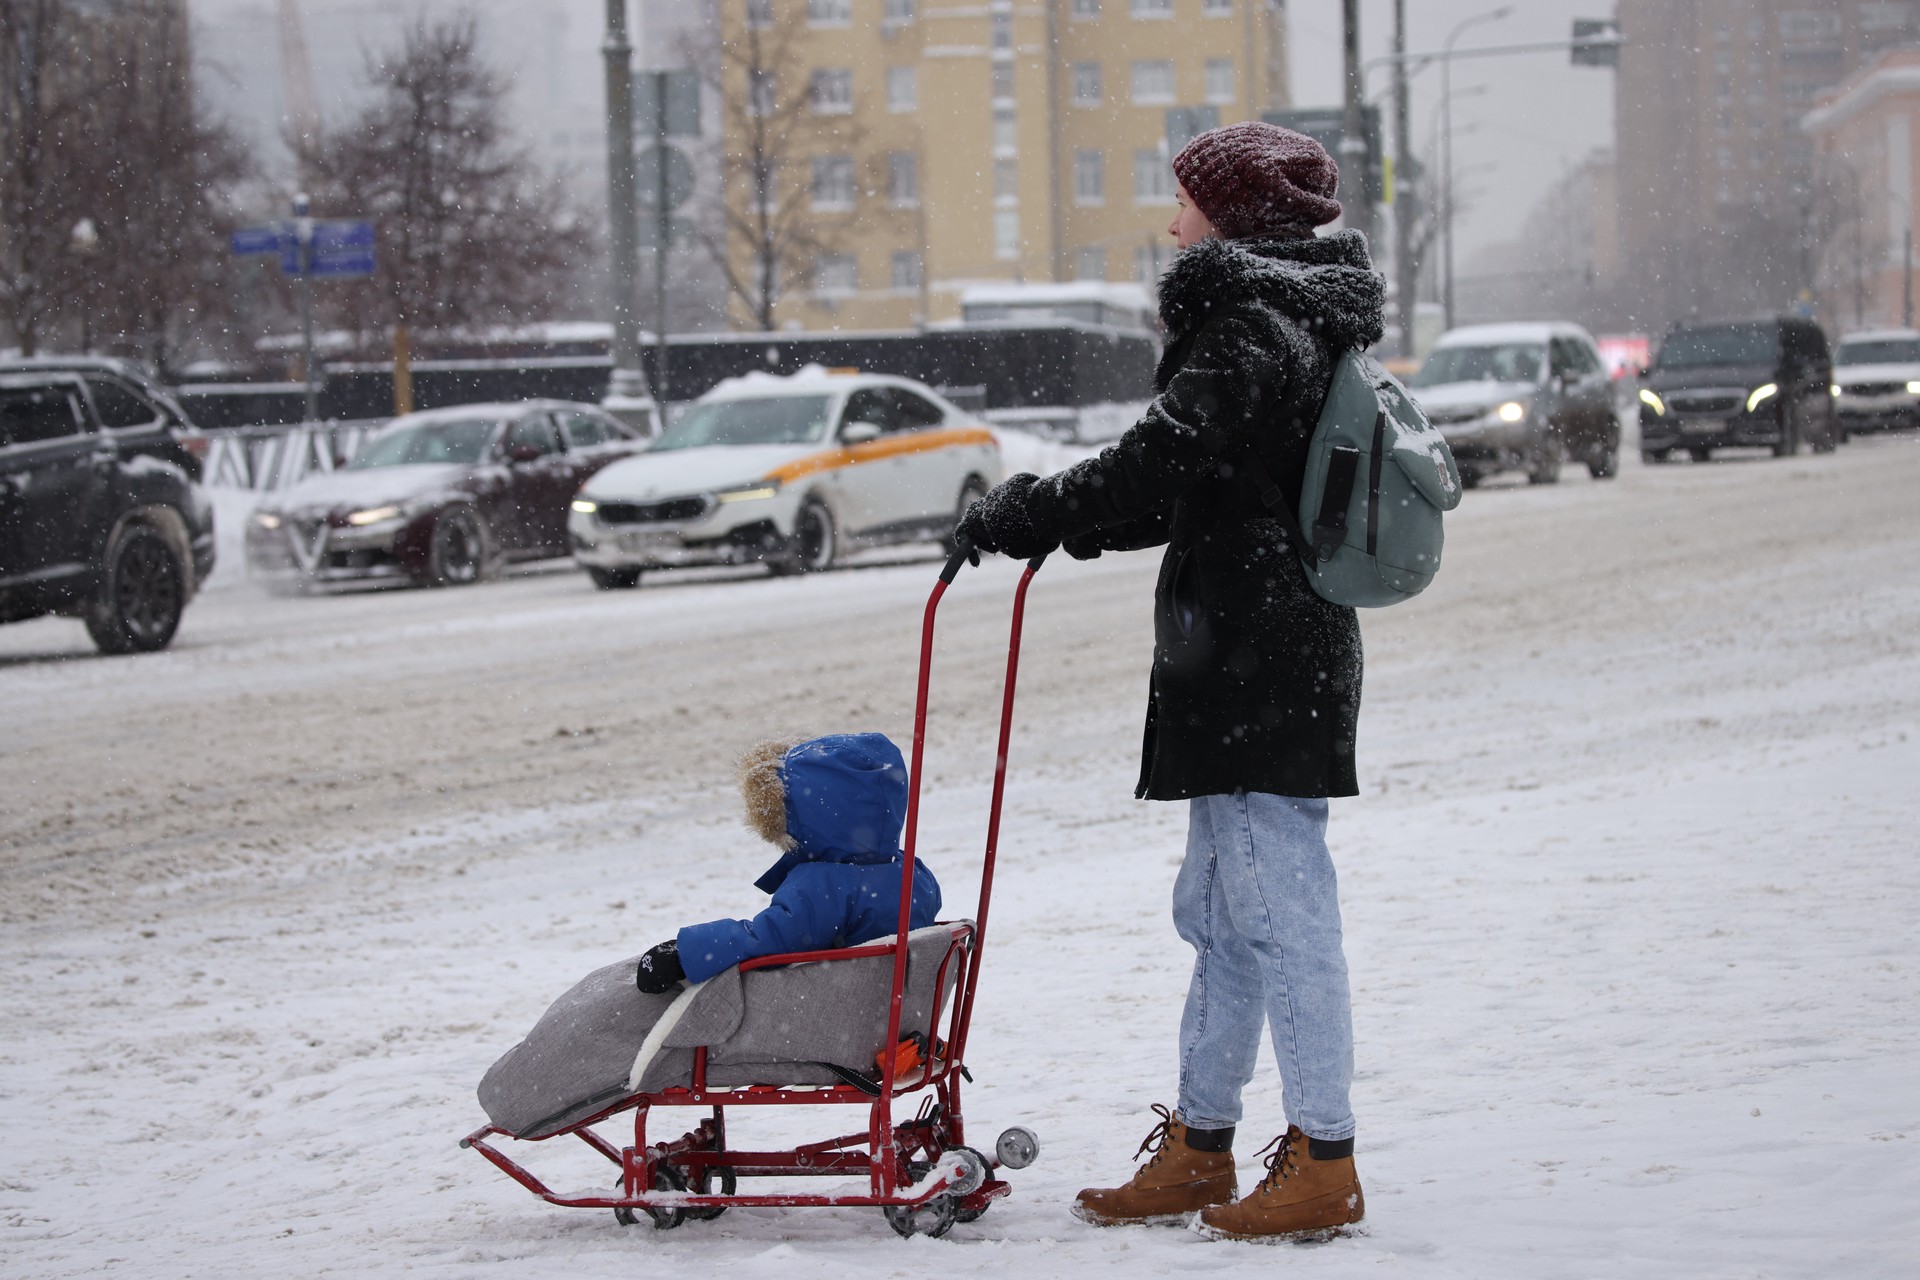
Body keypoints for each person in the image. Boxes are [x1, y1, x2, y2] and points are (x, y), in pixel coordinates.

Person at [956, 121, 1384, 1242]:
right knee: (1221, 914)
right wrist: (1052, 527)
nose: (1171, 220)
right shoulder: (1290, 319)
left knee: (1278, 909)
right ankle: (1202, 1144)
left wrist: (1031, 507)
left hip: (1257, 659)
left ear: (1233, 217)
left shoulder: (1252, 325)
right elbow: (1191, 485)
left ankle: (1323, 1156)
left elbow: (1158, 458)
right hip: (1255, 651)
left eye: (1185, 200)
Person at [633, 733, 941, 992]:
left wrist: (684, 955)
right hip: (889, 1014)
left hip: (831, 1021)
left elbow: (770, 939)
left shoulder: (825, 885)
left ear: (807, 818)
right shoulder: (914, 873)